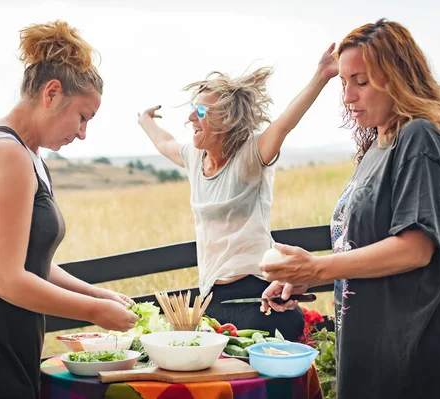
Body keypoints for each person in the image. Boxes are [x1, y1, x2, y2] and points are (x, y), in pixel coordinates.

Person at [0, 21, 139, 399]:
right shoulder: (7, 155)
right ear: (51, 93)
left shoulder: (28, 155)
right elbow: (7, 278)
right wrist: (93, 313)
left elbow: (29, 259)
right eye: (83, 117)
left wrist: (97, 295)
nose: (83, 133)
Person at [260, 19, 440, 399]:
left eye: (361, 81)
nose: (348, 96)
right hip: (372, 346)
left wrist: (318, 265)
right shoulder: (379, 145)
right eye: (344, 83)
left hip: (412, 354)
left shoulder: (418, 138)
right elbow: (363, 249)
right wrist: (309, 277)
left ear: (398, 77)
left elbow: (415, 247)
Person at [137, 46, 338, 341]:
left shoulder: (248, 159)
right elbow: (164, 143)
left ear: (226, 121)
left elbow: (285, 124)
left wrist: (321, 76)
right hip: (213, 302)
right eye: (194, 106)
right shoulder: (195, 157)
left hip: (259, 299)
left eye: (202, 110)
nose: (192, 116)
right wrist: (145, 119)